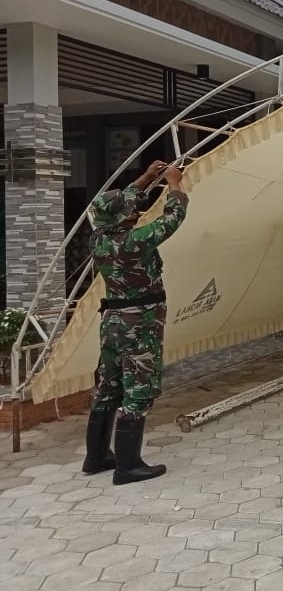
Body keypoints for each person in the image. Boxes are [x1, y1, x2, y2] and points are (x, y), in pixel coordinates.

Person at [81, 160, 188, 485]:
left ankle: (96, 457)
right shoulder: (132, 241)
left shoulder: (98, 238)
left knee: (108, 388)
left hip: (113, 322)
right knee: (138, 390)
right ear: (124, 218)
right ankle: (128, 466)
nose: (136, 213)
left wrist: (146, 178)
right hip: (139, 323)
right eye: (131, 212)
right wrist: (174, 183)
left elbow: (119, 203)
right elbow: (173, 218)